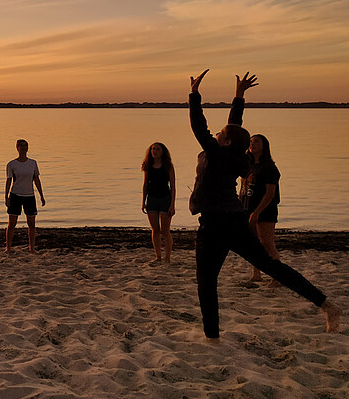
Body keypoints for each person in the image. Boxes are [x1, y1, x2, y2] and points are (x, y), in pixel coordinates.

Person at [189, 69, 341, 340]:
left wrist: (194, 94)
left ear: (225, 140)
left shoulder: (218, 153)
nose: (217, 131)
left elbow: (199, 126)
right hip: (232, 221)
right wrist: (238, 97)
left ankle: (212, 337)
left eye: (220, 132)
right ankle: (326, 305)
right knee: (270, 266)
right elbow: (234, 126)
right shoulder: (235, 154)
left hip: (215, 224)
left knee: (206, 282)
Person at [240, 134, 281, 286]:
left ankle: (277, 277)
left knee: (267, 244)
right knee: (253, 244)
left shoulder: (269, 167)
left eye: (257, 141)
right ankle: (256, 274)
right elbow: (243, 188)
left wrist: (256, 212)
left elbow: (270, 194)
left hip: (265, 211)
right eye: (250, 141)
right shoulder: (248, 166)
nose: (253, 144)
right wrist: (241, 207)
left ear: (264, 145)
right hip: (248, 209)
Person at [4, 139, 45, 254]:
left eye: (25, 146)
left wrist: (41, 195)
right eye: (21, 146)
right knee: (12, 223)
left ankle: (31, 247)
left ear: (28, 148)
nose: (23, 148)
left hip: (29, 196)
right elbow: (8, 181)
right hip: (15, 195)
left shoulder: (33, 163)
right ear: (17, 148)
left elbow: (36, 180)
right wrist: (6, 196)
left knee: (31, 224)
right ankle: (8, 247)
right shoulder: (12, 164)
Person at [141, 142, 176, 263]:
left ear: (162, 151)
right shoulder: (148, 165)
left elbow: (173, 187)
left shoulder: (168, 166)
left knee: (165, 230)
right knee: (155, 229)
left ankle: (167, 257)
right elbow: (145, 184)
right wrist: (143, 201)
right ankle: (158, 256)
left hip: (165, 199)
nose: (154, 151)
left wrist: (172, 205)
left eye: (157, 149)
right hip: (152, 199)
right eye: (153, 149)